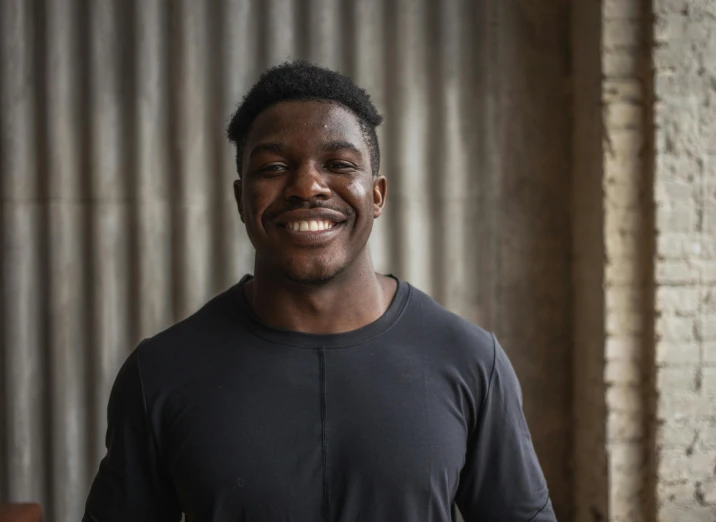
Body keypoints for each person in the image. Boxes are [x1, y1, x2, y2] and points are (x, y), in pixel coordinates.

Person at [82, 61, 556, 522]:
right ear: (241, 198)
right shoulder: (161, 373)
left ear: (376, 194)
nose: (307, 186)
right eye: (273, 167)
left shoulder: (471, 361)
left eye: (338, 164)